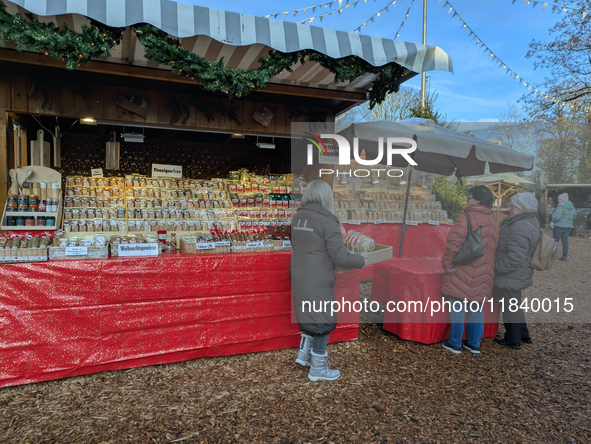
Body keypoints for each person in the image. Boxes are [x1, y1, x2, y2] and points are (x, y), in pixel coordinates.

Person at [290, 180, 367, 381]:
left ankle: (304, 355)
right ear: (327, 197)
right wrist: (362, 260)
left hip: (299, 274)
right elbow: (339, 257)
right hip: (318, 276)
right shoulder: (327, 219)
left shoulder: (298, 216)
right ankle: (318, 369)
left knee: (308, 314)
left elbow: (305, 244)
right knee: (323, 320)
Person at [440, 185, 499, 354]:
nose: (467, 199)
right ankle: (474, 344)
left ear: (478, 200)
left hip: (463, 268)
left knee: (458, 306)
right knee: (476, 308)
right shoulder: (494, 222)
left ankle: (455, 343)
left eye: (470, 197)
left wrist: (448, 265)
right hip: (484, 271)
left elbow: (453, 245)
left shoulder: (465, 217)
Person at [494, 192, 541, 349]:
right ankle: (523, 334)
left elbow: (515, 257)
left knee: (510, 307)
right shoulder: (528, 221)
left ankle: (512, 339)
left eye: (513, 206)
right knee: (514, 304)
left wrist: (496, 268)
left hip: (510, 274)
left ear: (522, 208)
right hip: (517, 273)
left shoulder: (519, 226)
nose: (510, 208)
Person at [551, 192, 576, 261]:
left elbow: (558, 217)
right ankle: (564, 256)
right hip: (568, 227)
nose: (558, 200)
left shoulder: (561, 206)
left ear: (563, 200)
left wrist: (553, 220)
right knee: (565, 241)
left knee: (555, 241)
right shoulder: (572, 206)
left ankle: (551, 255)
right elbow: (574, 216)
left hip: (559, 226)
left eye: (559, 199)